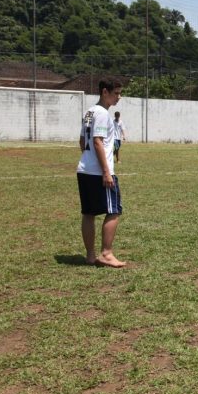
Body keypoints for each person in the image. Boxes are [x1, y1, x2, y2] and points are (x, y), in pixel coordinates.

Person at [77, 80, 127, 268]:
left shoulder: (89, 112)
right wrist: (106, 171)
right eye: (116, 93)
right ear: (105, 92)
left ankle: (90, 256)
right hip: (99, 172)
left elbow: (82, 141)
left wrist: (88, 158)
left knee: (88, 213)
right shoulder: (103, 114)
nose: (119, 97)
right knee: (114, 210)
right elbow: (97, 141)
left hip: (84, 169)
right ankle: (106, 254)